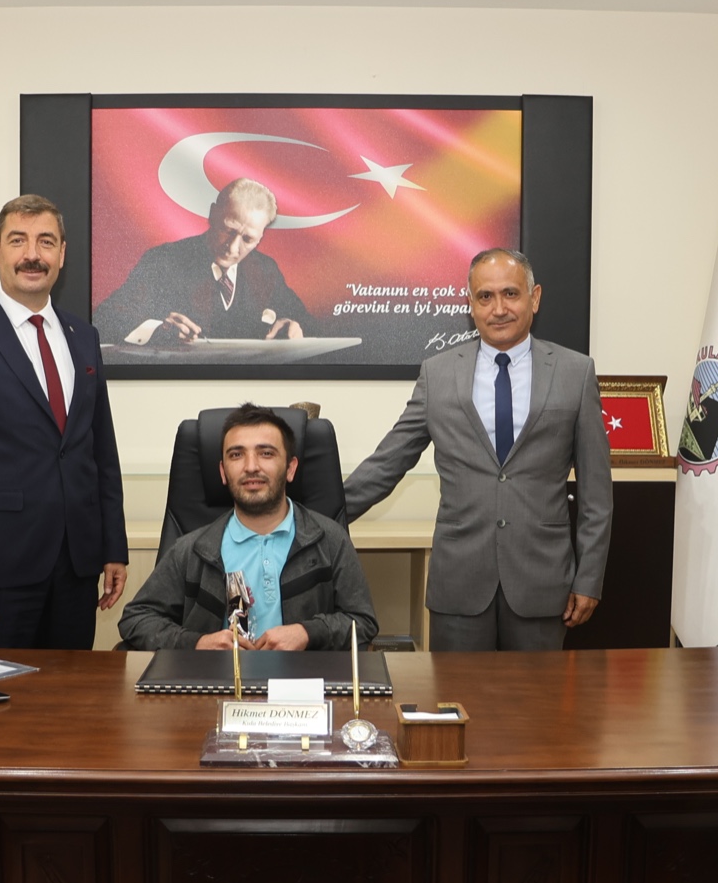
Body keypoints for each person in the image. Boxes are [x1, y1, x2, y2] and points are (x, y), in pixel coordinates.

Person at [343, 249, 612, 651]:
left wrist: (589, 578)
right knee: (456, 692)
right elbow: (388, 463)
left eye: (510, 294)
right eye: (485, 296)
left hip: (542, 584)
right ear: (470, 304)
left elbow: (596, 493)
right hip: (459, 584)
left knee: (536, 695)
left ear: (534, 297)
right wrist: (310, 516)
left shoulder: (576, 372)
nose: (498, 309)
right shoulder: (438, 373)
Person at [0, 194, 129, 649]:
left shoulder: (84, 337)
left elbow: (100, 451)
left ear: (62, 254)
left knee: (70, 691)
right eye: (18, 241)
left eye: (45, 242)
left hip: (77, 569)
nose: (32, 254)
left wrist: (114, 546)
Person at [119, 404, 377, 651]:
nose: (251, 466)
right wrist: (196, 643)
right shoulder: (192, 550)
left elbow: (363, 622)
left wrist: (308, 633)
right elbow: (136, 618)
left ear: (290, 468)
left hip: (304, 679)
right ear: (223, 472)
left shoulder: (329, 540)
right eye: (236, 455)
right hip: (217, 678)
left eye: (266, 453)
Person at [94, 178, 309, 345]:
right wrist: (157, 329)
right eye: (228, 230)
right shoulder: (163, 261)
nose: (232, 248)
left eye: (248, 239)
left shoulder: (265, 270)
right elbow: (104, 320)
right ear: (212, 214)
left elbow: (312, 326)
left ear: (261, 237)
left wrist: (294, 327)